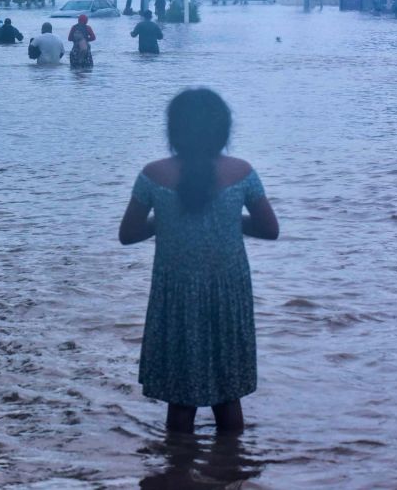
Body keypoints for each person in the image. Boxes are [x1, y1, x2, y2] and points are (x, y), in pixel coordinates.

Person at [118, 88, 279, 435]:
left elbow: (128, 234)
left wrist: (162, 219)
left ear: (174, 130)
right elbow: (269, 229)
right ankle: (231, 472)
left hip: (176, 296)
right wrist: (231, 219)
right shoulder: (243, 172)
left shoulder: (152, 175)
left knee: (180, 400)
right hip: (228, 293)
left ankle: (175, 474)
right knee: (228, 398)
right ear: (223, 129)